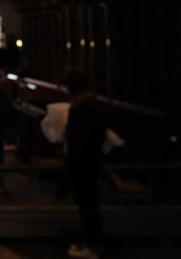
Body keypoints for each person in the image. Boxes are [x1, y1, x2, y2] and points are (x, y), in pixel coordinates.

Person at [63, 69, 106, 259]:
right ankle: (93, 241)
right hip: (93, 159)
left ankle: (93, 245)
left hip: (82, 162)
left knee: (87, 205)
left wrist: (70, 164)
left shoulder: (79, 107)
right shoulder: (94, 104)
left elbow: (75, 138)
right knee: (90, 203)